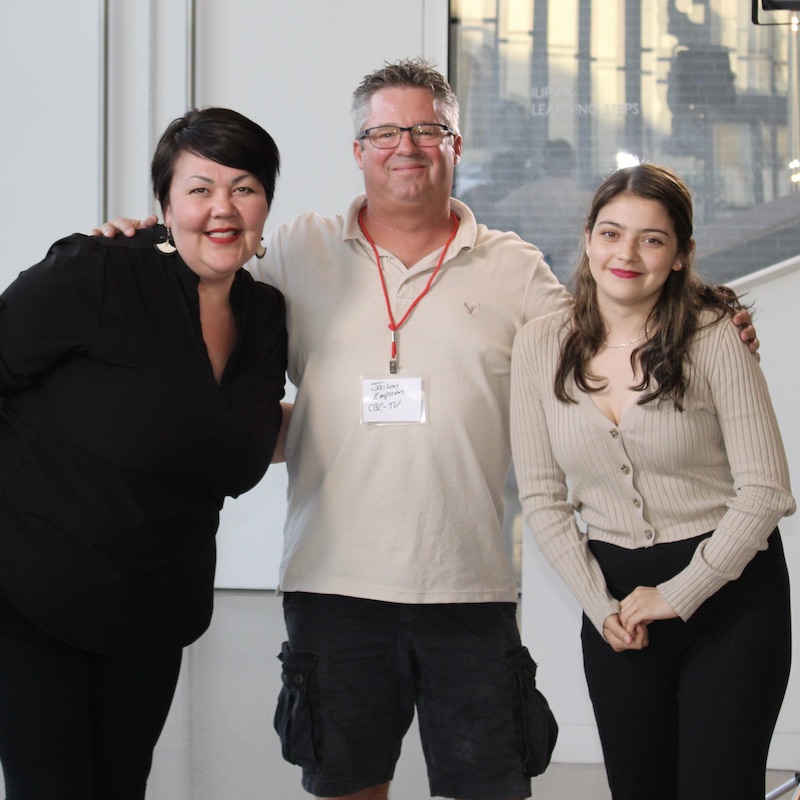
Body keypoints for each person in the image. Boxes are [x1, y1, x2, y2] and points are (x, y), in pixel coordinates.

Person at [95, 61, 759, 800]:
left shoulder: (515, 270)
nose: (405, 146)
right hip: (332, 583)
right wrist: (134, 240)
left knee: (490, 786)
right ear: (357, 150)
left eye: (426, 129)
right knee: (348, 785)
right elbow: (202, 262)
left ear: (457, 144)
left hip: (469, 584)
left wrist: (712, 317)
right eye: (383, 131)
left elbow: (612, 325)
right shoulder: (294, 252)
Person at [0, 107, 287, 799]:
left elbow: (240, 432)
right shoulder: (95, 272)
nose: (222, 208)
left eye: (244, 187)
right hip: (34, 592)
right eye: (199, 189)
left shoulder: (266, 314)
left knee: (121, 786)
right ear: (164, 205)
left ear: (267, 203)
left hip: (155, 605)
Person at [509, 163, 793, 799]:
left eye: (652, 239)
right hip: (613, 604)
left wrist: (679, 591)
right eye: (611, 233)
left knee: (718, 786)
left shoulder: (714, 333)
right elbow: (543, 500)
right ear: (587, 238)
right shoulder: (539, 344)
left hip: (731, 597)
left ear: (682, 253)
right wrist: (597, 602)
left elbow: (768, 489)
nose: (626, 254)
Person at [496, 139, 594, 281]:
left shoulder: (527, 193)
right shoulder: (588, 200)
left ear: (544, 163)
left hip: (536, 272)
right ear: (573, 163)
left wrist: (477, 195)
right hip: (576, 273)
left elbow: (496, 215)